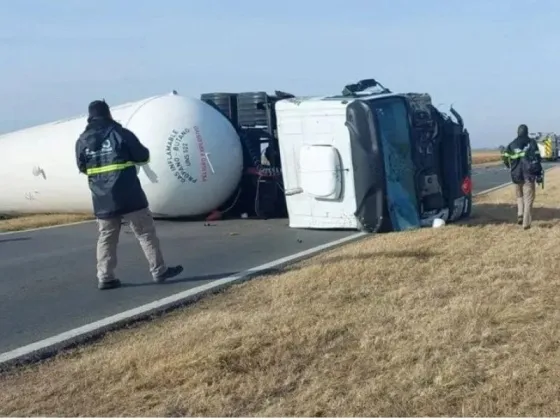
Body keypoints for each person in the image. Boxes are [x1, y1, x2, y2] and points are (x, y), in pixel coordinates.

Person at [75, 100, 183, 290]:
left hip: (102, 199)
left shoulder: (81, 142)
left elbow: (82, 168)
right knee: (145, 233)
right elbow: (142, 156)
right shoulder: (120, 133)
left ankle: (105, 276)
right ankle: (159, 270)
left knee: (106, 237)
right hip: (130, 195)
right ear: (108, 114)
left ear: (90, 116)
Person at [501, 124, 543, 230]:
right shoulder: (532, 143)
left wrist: (508, 165)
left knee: (519, 196)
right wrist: (539, 174)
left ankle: (520, 214)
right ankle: (526, 223)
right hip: (529, 175)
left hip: (516, 175)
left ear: (517, 132)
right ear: (527, 132)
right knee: (528, 199)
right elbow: (537, 159)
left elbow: (505, 157)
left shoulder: (512, 144)